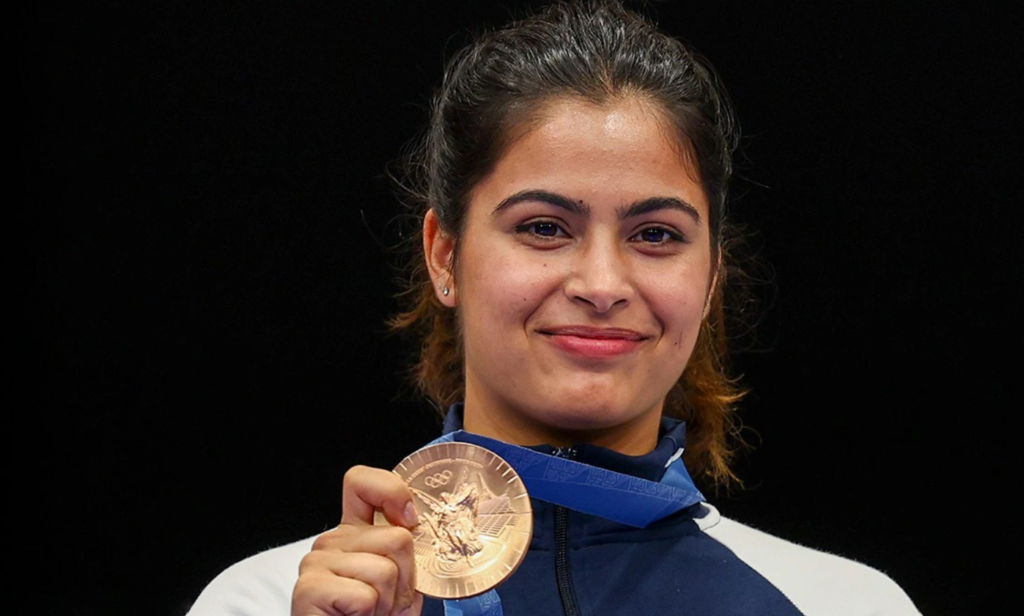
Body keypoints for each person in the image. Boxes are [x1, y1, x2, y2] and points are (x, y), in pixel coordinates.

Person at [186, 1, 922, 614]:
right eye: (543, 227)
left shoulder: (846, 604)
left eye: (656, 234)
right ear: (444, 254)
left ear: (711, 278)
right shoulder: (268, 602)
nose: (602, 283)